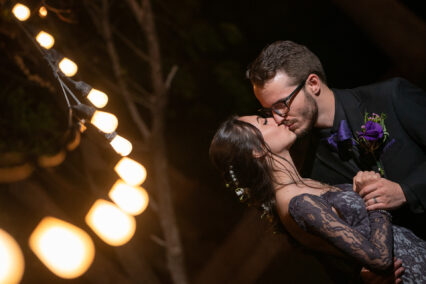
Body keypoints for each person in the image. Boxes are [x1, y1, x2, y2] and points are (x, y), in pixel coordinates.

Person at [209, 115, 426, 283]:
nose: (277, 119)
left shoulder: (305, 183)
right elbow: (380, 259)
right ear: (256, 150)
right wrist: (374, 196)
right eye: (264, 122)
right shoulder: (297, 203)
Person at [246, 40, 426, 240]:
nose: (278, 118)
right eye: (270, 110)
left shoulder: (390, 96)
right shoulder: (312, 171)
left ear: (313, 84)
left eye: (281, 104)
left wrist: (406, 191)